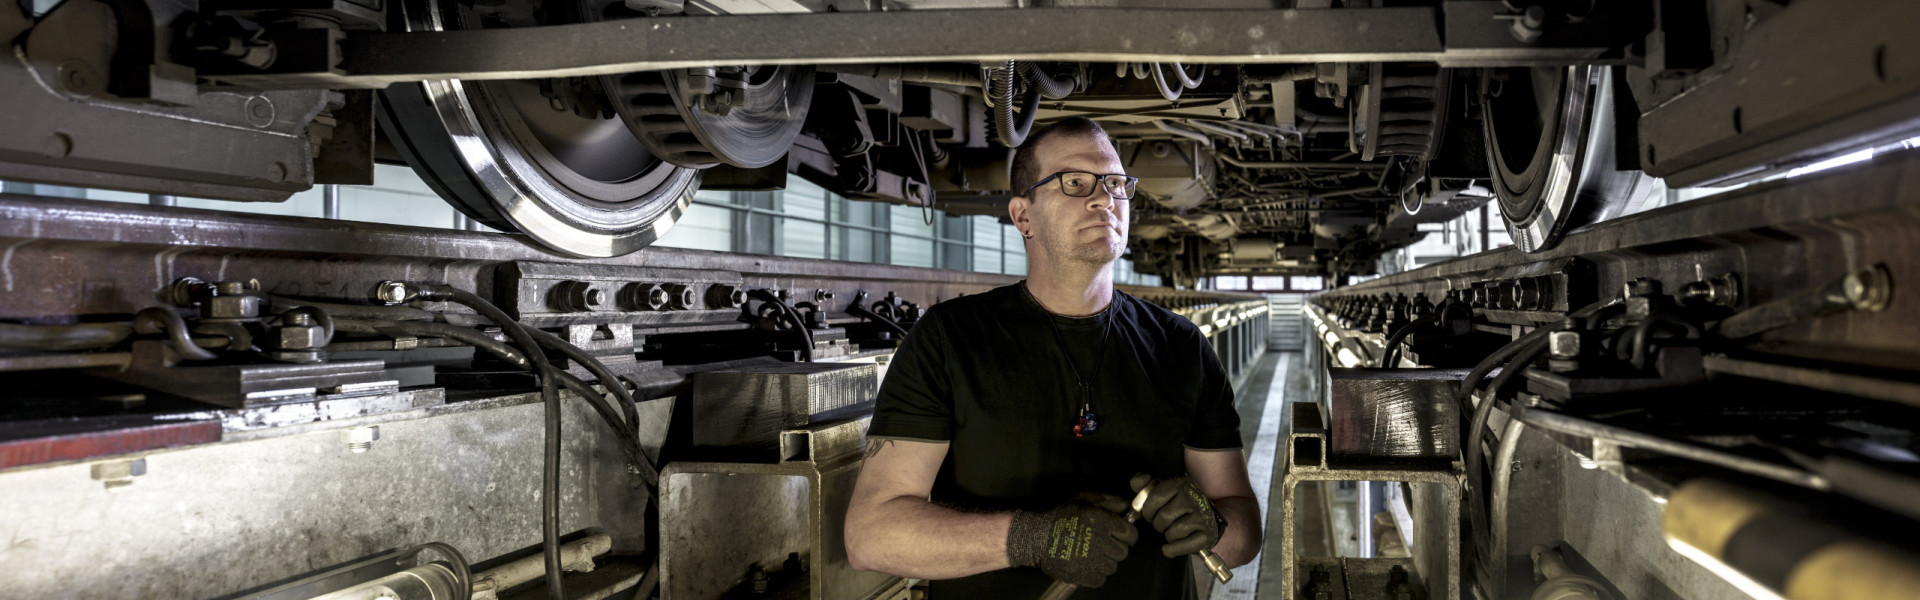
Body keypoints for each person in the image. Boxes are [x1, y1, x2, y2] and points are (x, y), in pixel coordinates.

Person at [842, 116, 1262, 598]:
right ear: (1023, 217)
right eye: (1075, 182)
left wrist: (1212, 525)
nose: (1104, 198)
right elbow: (871, 536)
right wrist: (1031, 538)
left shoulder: (1181, 346)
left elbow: (1244, 534)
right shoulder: (949, 339)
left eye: (1116, 184)